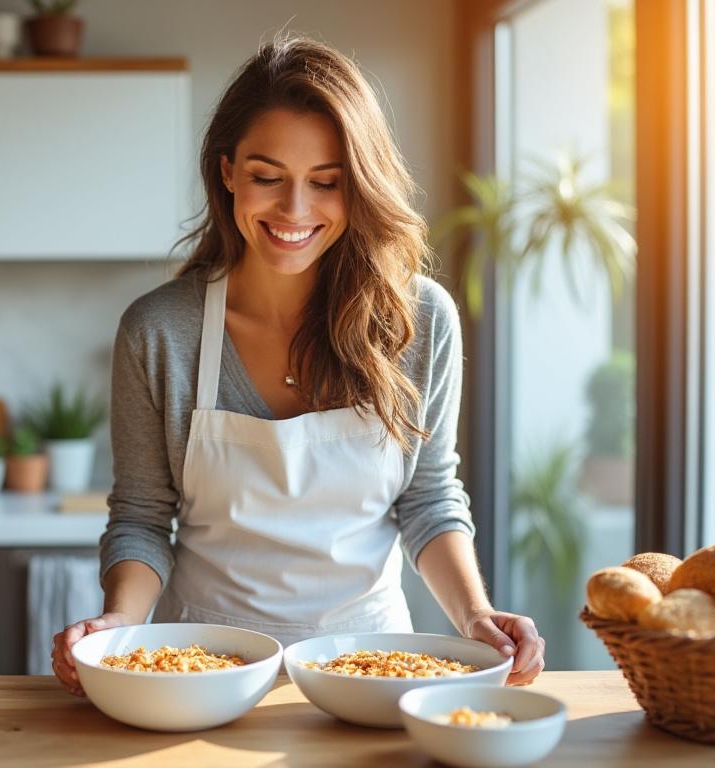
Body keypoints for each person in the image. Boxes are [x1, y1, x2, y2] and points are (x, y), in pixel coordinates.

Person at [52, 34, 545, 694]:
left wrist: (476, 616)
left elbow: (428, 499)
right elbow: (142, 517)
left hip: (370, 669)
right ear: (227, 171)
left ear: (361, 186)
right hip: (201, 673)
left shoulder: (420, 321)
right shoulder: (160, 331)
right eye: (267, 177)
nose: (294, 211)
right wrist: (119, 622)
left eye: (327, 183)